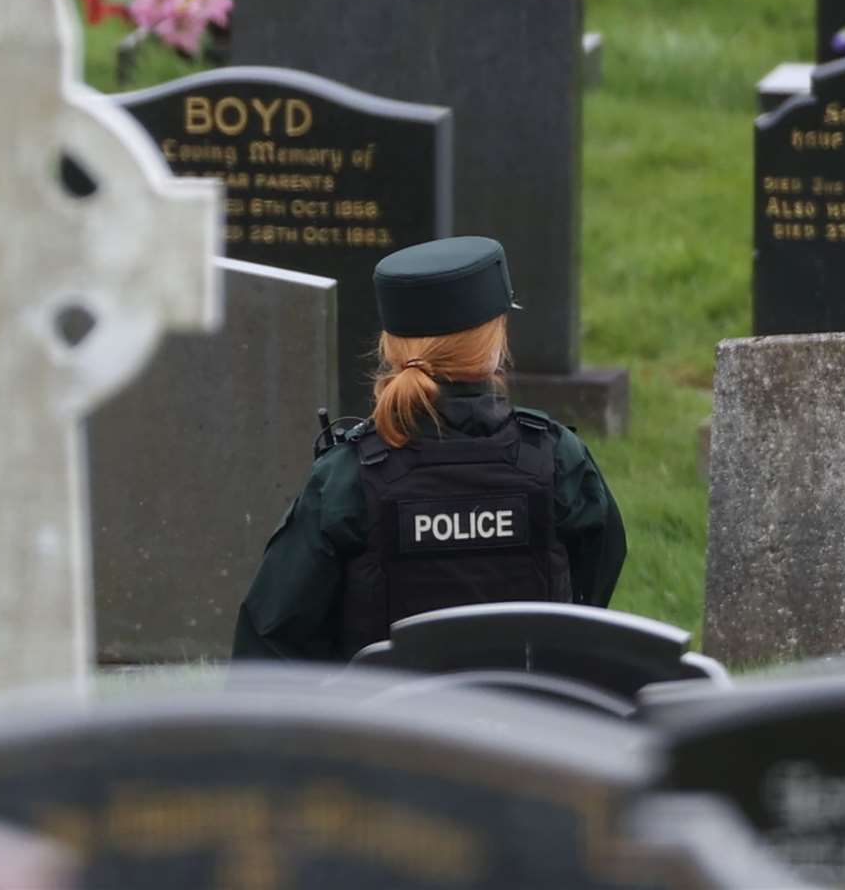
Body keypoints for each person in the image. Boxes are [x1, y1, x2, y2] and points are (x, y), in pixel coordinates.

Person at [232, 236, 627, 661]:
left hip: (386, 724)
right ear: (494, 342)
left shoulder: (349, 476)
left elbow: (273, 633)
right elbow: (593, 592)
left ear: (392, 344)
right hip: (525, 719)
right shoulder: (557, 458)